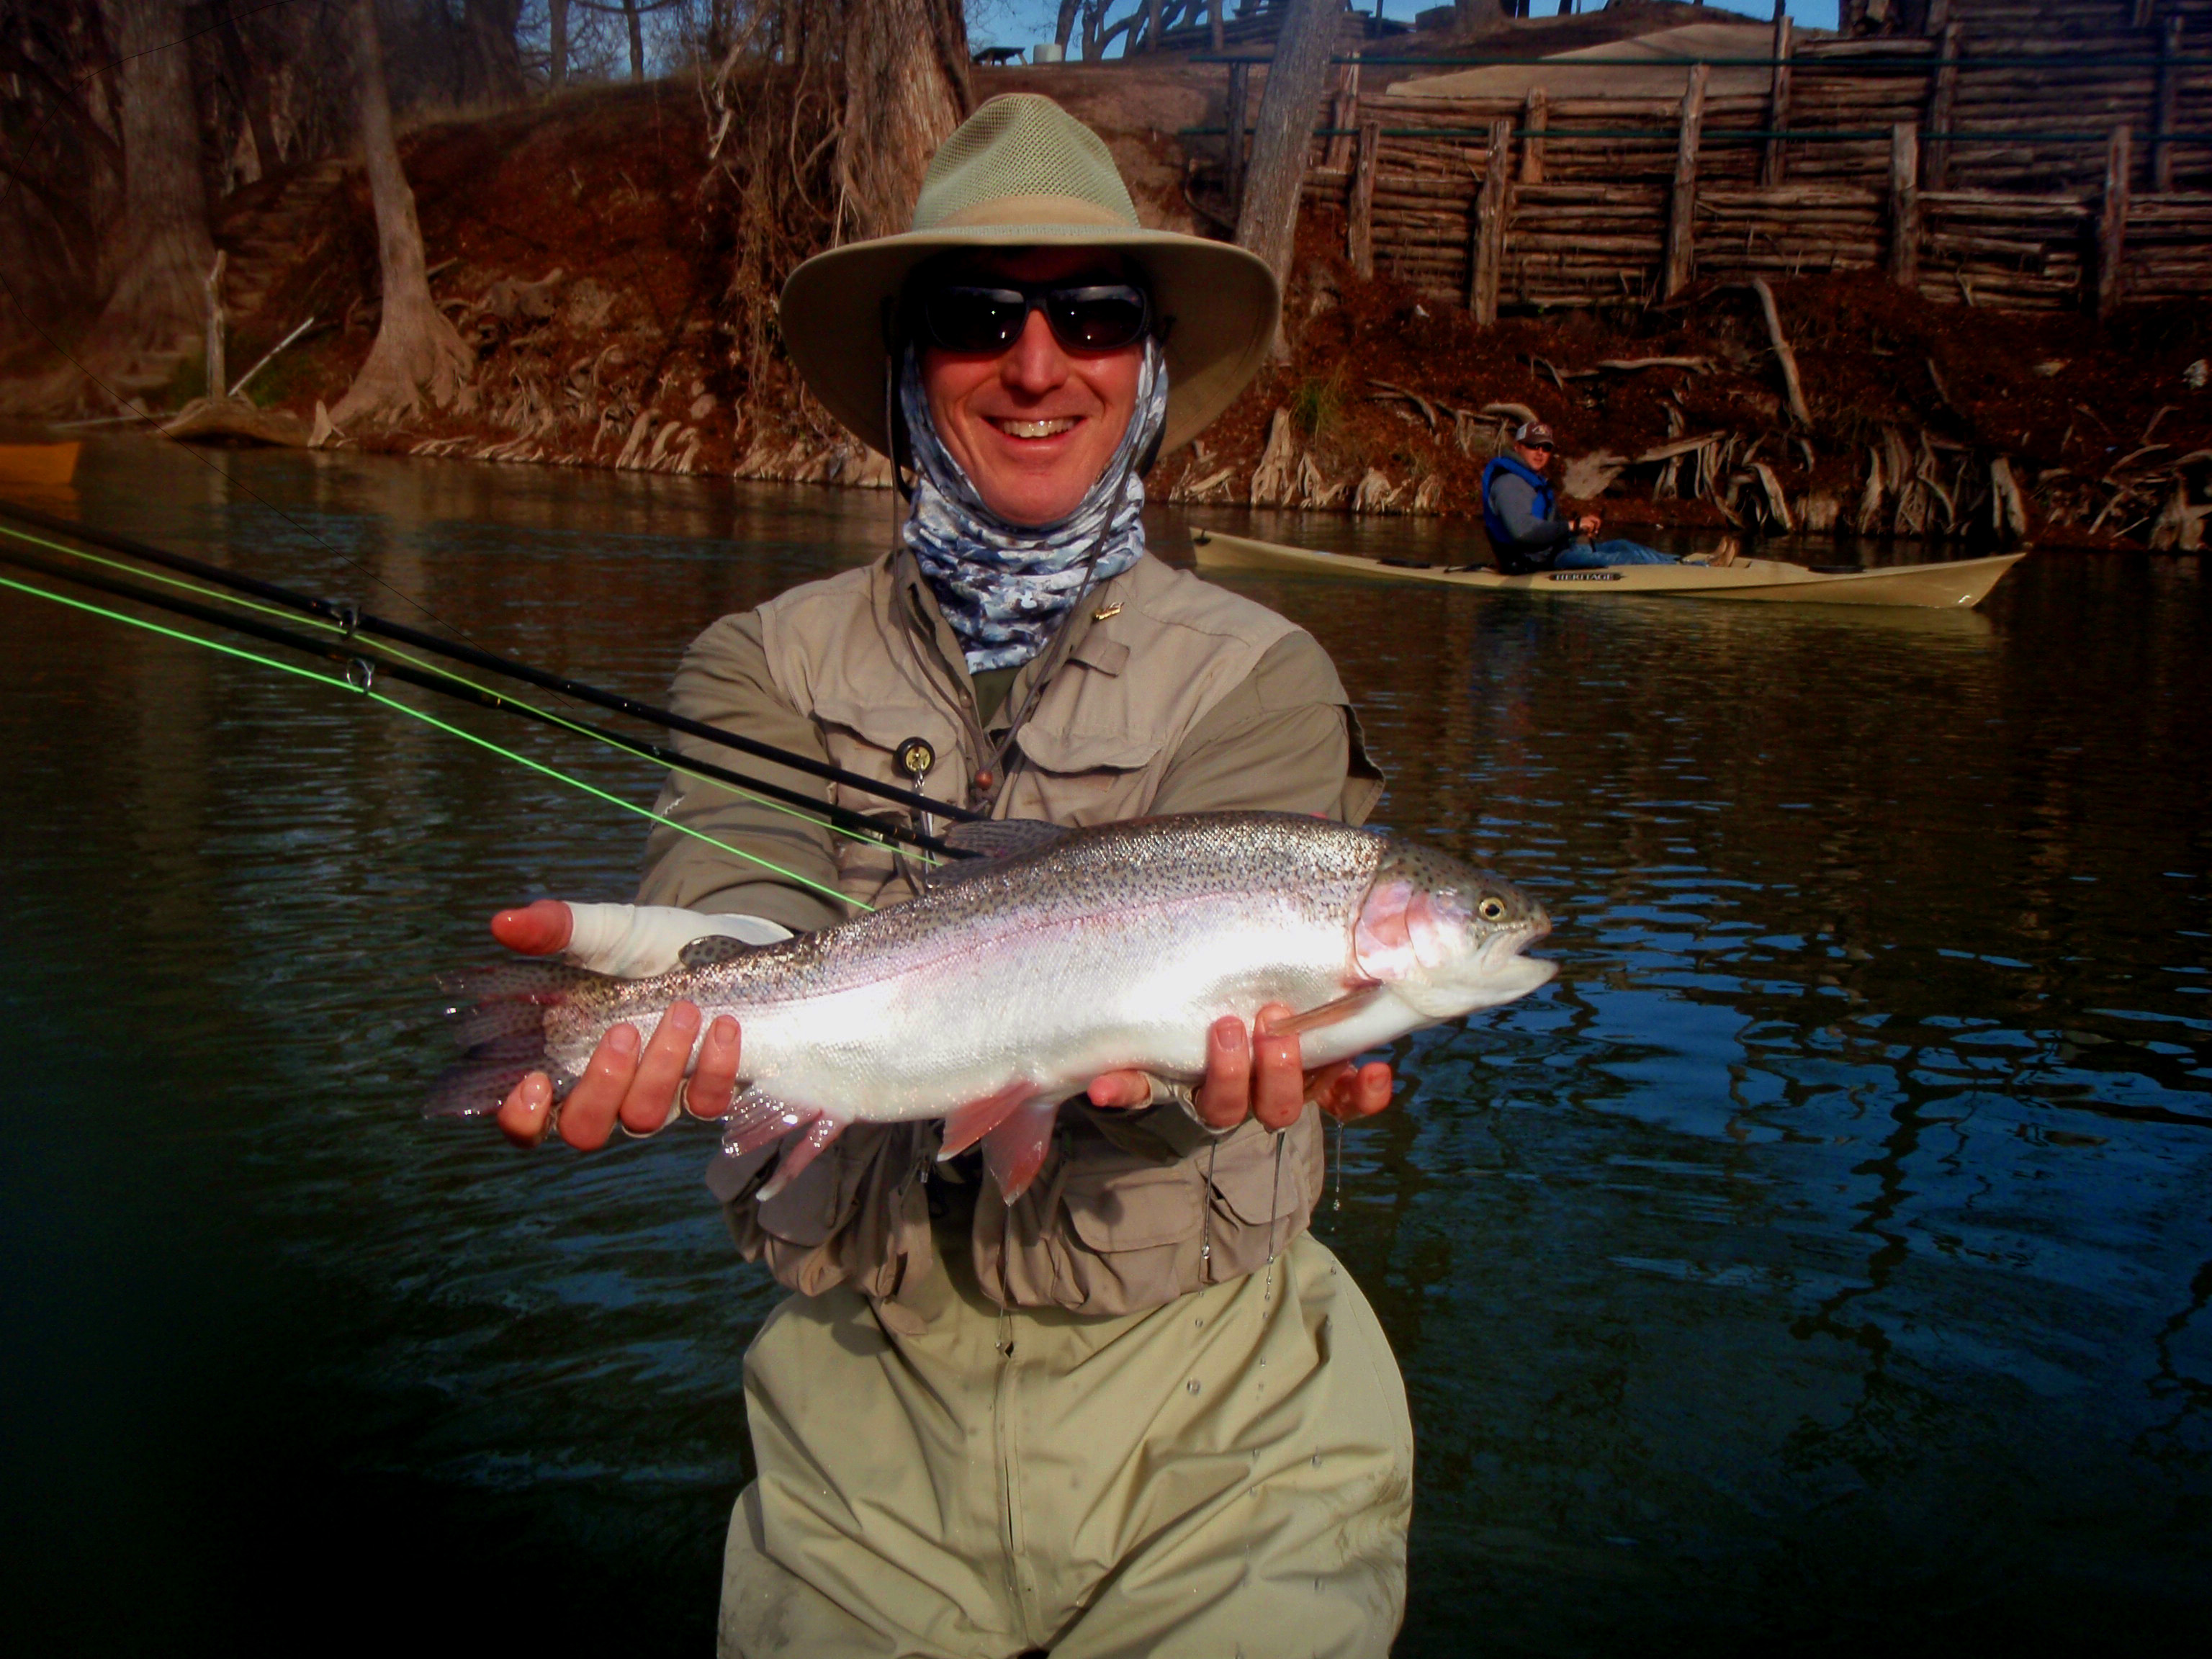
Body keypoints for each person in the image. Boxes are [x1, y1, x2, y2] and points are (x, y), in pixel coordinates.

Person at [487, 96, 1413, 1658]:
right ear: (913, 367)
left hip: (1225, 1433)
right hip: (857, 1428)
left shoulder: (1264, 677)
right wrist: (685, 996)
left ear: (1149, 364)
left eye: (1092, 315)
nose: (1038, 362)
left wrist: (1235, 1070)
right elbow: (759, 912)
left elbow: (1218, 1034)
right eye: (981, 316)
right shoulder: (757, 663)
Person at [1482, 419, 1677, 572]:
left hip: (1556, 552)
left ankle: (1681, 563)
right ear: (1518, 447)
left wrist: (1579, 530)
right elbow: (1524, 533)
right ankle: (1686, 572)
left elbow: (1552, 527)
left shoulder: (1533, 482)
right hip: (1533, 563)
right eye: (1533, 446)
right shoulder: (1509, 484)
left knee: (1624, 546)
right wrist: (1572, 526)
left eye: (1546, 448)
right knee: (1624, 559)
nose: (1540, 453)